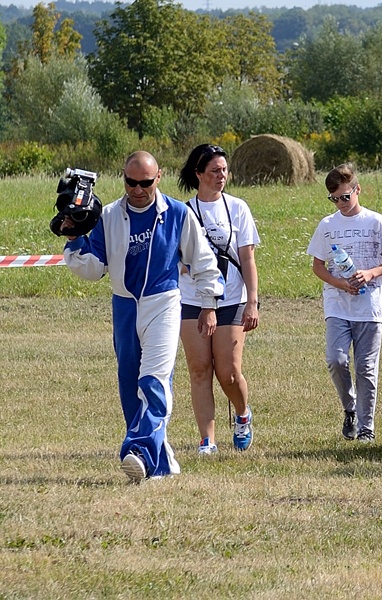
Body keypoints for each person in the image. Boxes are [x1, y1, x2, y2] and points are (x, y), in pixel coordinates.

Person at [62, 151, 223, 483]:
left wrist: (209, 304)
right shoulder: (107, 216)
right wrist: (74, 237)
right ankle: (160, 464)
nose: (137, 189)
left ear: (158, 177)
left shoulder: (178, 214)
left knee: (154, 380)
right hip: (123, 305)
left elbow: (204, 261)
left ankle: (137, 451)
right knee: (128, 386)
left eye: (145, 183)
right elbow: (94, 269)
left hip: (163, 304)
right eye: (131, 182)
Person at [307, 163, 382, 443]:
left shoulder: (376, 222)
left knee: (365, 367)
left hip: (370, 304)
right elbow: (318, 266)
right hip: (337, 304)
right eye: (334, 199)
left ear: (357, 190)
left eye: (345, 197)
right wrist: (340, 284)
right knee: (336, 360)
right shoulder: (327, 225)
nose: (340, 203)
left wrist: (371, 273)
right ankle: (350, 409)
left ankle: (366, 426)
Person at [177, 144, 260, 455]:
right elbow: (172, 255)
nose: (221, 175)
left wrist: (252, 301)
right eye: (214, 171)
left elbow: (248, 258)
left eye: (224, 170)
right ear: (198, 174)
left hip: (232, 300)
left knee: (228, 371)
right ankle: (207, 440)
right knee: (199, 369)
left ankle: (242, 414)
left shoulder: (238, 208)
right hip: (191, 299)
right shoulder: (182, 211)